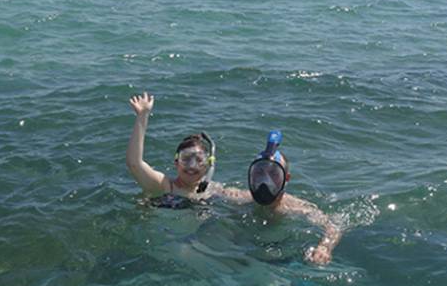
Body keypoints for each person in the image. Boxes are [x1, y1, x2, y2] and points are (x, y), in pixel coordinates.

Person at [126, 92, 342, 265]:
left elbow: (329, 223)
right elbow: (135, 164)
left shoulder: (215, 191)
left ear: (209, 164)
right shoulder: (165, 185)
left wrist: (323, 246)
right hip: (158, 246)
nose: (191, 167)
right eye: (185, 159)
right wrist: (142, 117)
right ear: (176, 162)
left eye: (198, 160)